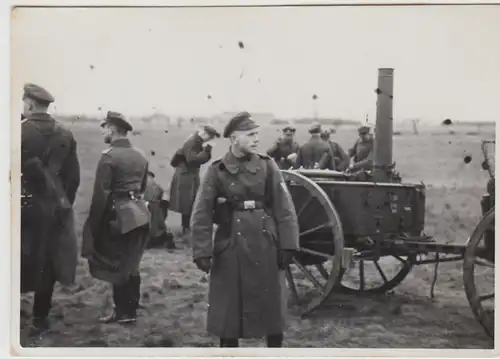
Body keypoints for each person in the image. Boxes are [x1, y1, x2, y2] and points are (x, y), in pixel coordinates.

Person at [190, 111, 300, 348]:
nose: (256, 139)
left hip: (266, 245)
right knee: (229, 311)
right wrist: (201, 250)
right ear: (234, 139)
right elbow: (201, 213)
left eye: (257, 134)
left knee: (272, 310)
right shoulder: (216, 170)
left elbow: (284, 207)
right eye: (250, 135)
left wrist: (288, 244)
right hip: (230, 245)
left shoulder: (268, 166)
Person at [20, 83, 80, 332]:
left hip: (22, 207)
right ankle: (40, 317)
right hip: (54, 209)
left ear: (30, 104)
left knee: (14, 257)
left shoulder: (17, 131)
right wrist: (62, 203)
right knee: (47, 261)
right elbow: (73, 178)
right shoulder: (65, 133)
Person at [82, 111, 151, 324]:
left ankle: (123, 313)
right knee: (132, 263)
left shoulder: (109, 157)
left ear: (112, 129)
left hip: (118, 219)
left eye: (104, 127)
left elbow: (101, 196)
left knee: (118, 265)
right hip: (141, 215)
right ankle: (130, 309)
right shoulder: (141, 155)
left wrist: (93, 227)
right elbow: (142, 188)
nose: (103, 131)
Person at [169, 125, 220, 233]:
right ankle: (186, 227)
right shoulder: (192, 142)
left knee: (189, 200)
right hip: (186, 174)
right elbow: (192, 160)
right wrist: (207, 150)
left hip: (188, 173)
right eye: (210, 137)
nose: (210, 139)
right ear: (204, 134)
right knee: (188, 201)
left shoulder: (195, 142)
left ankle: (186, 227)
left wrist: (206, 151)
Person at [143, 169, 176, 249]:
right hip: (157, 207)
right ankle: (161, 236)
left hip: (149, 207)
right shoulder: (155, 184)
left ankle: (151, 238)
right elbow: (163, 196)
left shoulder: (141, 181)